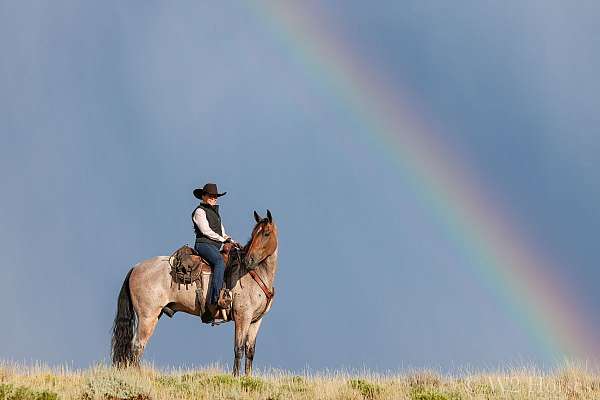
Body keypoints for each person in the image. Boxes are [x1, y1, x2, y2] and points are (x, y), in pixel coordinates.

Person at [192, 183, 237, 322]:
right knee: (219, 261)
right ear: (203, 196)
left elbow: (222, 232)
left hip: (214, 245)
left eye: (215, 196)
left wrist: (230, 240)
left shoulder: (216, 214)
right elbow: (206, 231)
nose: (213, 198)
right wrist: (223, 241)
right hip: (203, 245)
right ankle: (214, 299)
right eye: (210, 196)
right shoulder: (199, 211)